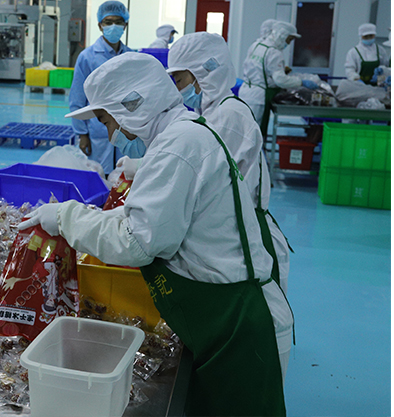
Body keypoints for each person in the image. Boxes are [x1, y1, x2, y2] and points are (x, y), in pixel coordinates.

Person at [21, 53, 293, 416]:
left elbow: (136, 242)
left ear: (132, 106)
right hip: (224, 317)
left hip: (239, 328)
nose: (110, 135)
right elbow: (151, 216)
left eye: (107, 121)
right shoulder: (182, 134)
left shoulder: (178, 147)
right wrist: (86, 216)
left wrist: (66, 216)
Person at [167, 31, 291, 294]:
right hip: (233, 228)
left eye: (179, 80)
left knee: (254, 305)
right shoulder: (212, 111)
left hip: (245, 235)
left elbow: (207, 180)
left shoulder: (228, 116)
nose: (178, 89)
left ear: (203, 73)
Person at [69, 0, 134, 174]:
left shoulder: (131, 56)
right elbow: (77, 99)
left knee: (123, 176)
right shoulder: (87, 57)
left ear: (125, 25)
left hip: (127, 128)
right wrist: (82, 134)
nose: (113, 26)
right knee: (98, 175)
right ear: (100, 25)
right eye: (108, 22)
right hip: (97, 130)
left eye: (118, 22)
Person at [240, 21, 311, 137]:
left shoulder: (256, 45)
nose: (288, 43)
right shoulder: (274, 53)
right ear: (282, 35)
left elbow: (254, 67)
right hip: (259, 97)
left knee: (244, 130)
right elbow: (280, 80)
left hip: (245, 92)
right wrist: (301, 82)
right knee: (254, 134)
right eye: (289, 39)